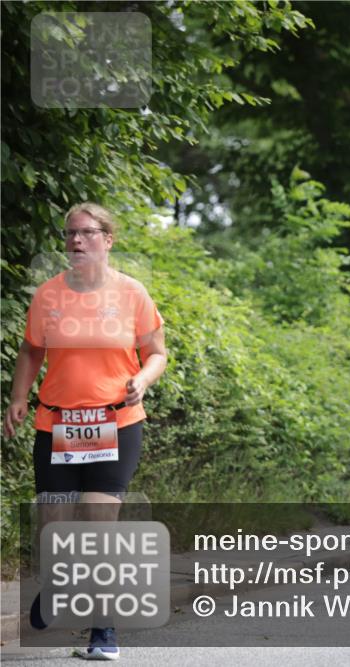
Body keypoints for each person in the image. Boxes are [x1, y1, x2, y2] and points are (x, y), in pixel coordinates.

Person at [3, 202, 168, 660]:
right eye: (70, 233)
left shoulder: (132, 293)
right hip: (56, 423)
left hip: (115, 423)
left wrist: (143, 379)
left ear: (108, 239)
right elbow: (31, 351)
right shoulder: (48, 296)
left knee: (99, 528)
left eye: (87, 232)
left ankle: (104, 632)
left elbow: (157, 352)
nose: (76, 240)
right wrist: (19, 397)